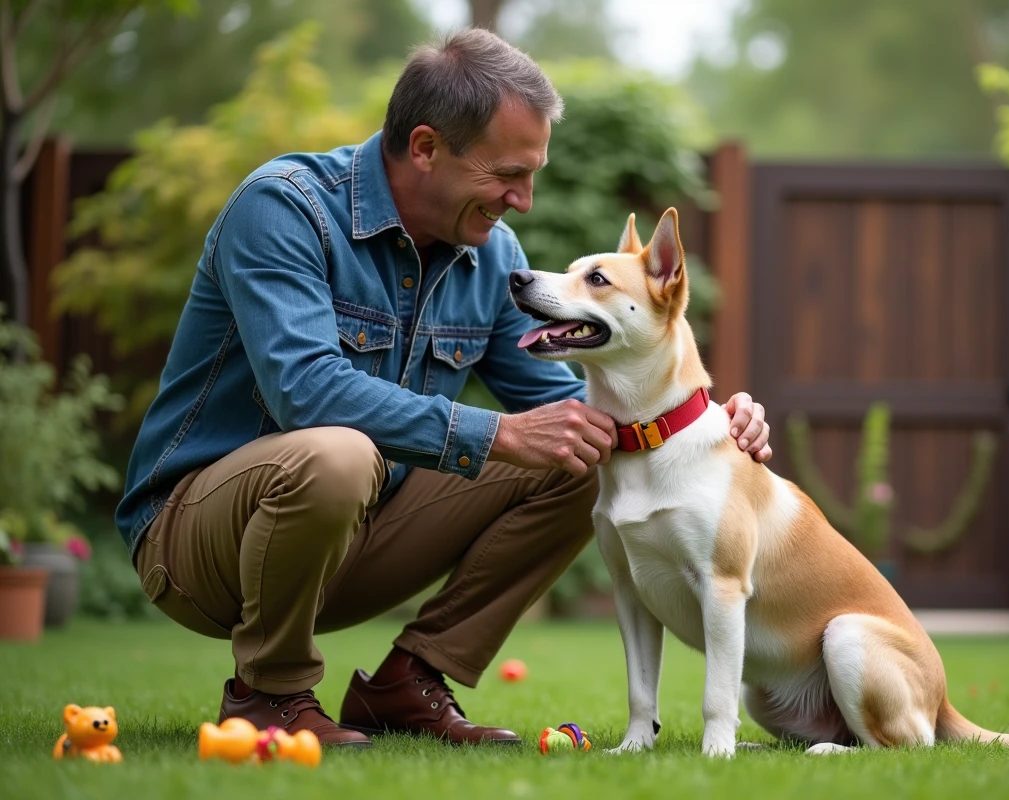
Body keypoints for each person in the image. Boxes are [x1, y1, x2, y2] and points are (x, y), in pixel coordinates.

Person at [114, 27, 773, 749]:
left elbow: (577, 416)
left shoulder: (490, 255)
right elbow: (306, 391)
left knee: (582, 454)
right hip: (196, 543)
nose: (523, 201)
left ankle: (410, 682)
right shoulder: (285, 209)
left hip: (358, 534)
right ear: (426, 148)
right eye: (509, 174)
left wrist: (710, 427)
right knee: (340, 454)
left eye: (533, 175)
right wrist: (497, 433)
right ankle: (268, 694)